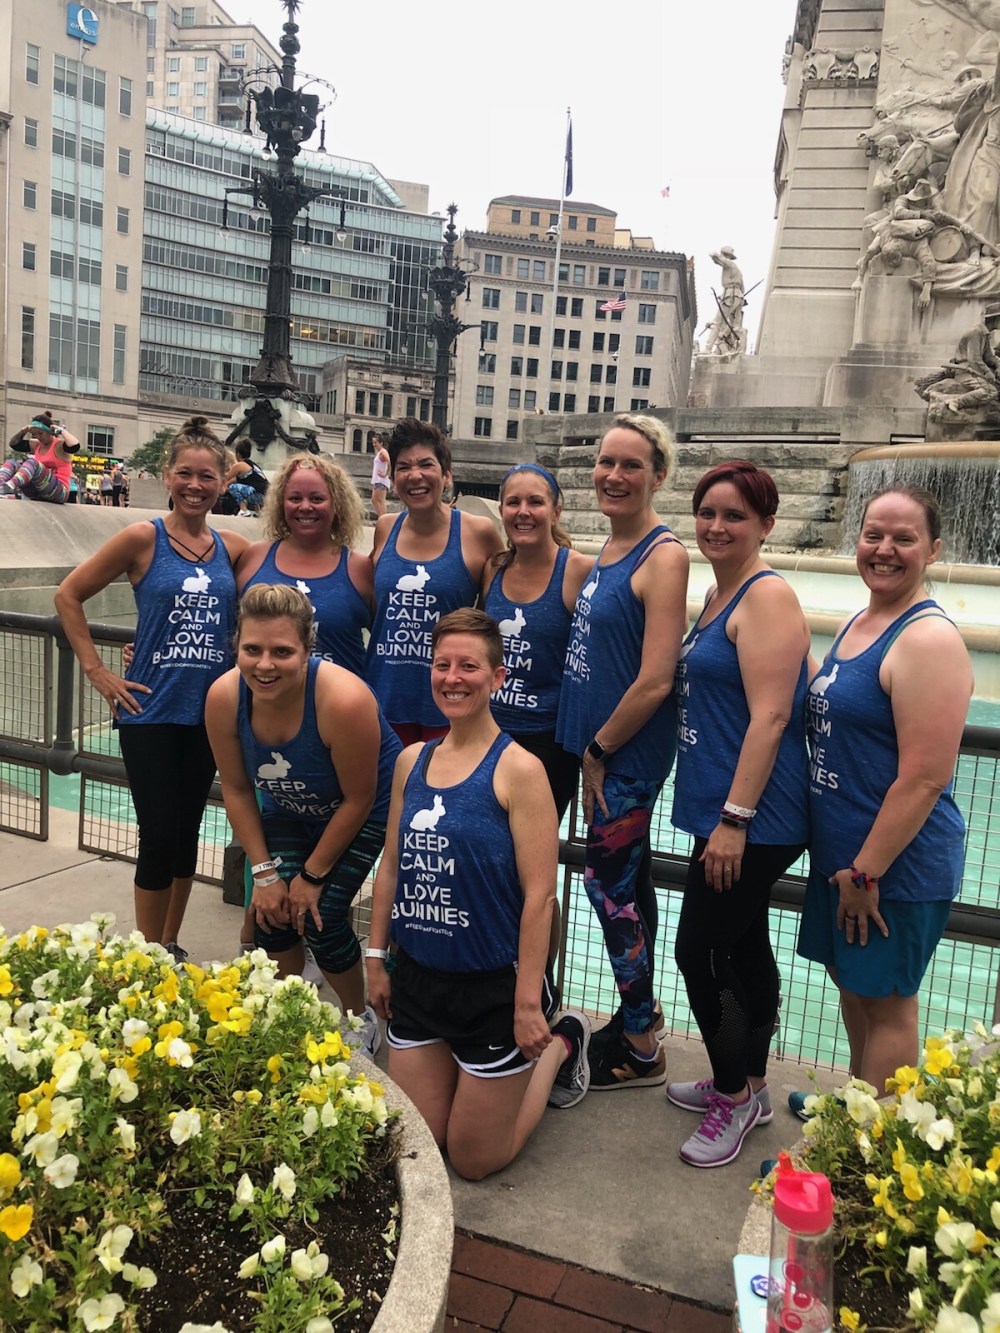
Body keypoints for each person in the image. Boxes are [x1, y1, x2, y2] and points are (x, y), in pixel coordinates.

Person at [365, 609, 592, 1180]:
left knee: (472, 1160)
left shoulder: (520, 771)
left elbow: (540, 896)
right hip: (420, 979)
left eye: (468, 666)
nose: (452, 677)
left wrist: (525, 1004)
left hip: (494, 988)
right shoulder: (412, 762)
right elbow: (391, 865)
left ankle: (562, 1043)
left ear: (497, 677)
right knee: (417, 1149)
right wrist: (375, 958)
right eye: (442, 664)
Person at [796, 484, 972, 1099]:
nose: (884, 549)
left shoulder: (928, 640)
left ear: (934, 549)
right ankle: (852, 1112)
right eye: (874, 535)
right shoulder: (862, 621)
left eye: (904, 538)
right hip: (847, 860)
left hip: (893, 868)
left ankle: (867, 1143)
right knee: (854, 987)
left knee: (889, 1004)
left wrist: (865, 873)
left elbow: (925, 777)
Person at [54, 416, 250, 962]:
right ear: (167, 476)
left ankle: (170, 944)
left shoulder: (234, 549)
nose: (195, 485)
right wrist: (97, 670)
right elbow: (68, 595)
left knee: (187, 832)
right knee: (158, 832)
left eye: (206, 476)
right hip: (150, 710)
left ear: (222, 482)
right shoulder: (144, 538)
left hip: (209, 714)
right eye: (185, 473)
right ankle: (146, 954)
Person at [665, 461, 810, 1168]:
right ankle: (749, 1080)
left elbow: (772, 716)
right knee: (745, 945)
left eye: (735, 516)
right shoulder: (719, 593)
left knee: (699, 951)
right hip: (723, 807)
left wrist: (735, 818)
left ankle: (733, 1095)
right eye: (708, 512)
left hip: (755, 815)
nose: (717, 526)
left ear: (765, 525)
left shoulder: (767, 597)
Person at [206, 584, 401, 1056]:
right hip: (290, 807)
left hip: (365, 809)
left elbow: (358, 798)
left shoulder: (343, 700)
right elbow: (237, 789)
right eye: (252, 650)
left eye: (282, 652)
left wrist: (311, 876)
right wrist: (264, 874)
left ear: (308, 650)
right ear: (236, 646)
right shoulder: (224, 698)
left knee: (321, 916)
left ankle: (359, 1016)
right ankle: (290, 1010)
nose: (264, 665)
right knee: (272, 913)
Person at [556, 414, 690, 1089]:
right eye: (606, 461)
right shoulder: (610, 546)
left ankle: (641, 1044)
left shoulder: (663, 556)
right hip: (600, 749)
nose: (613, 475)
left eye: (630, 464)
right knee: (629, 884)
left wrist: (599, 750)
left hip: (625, 756)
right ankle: (645, 1010)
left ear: (657, 476)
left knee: (604, 887)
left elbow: (657, 677)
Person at [483, 463, 592, 984]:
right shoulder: (493, 570)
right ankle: (496, 972)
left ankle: (537, 984)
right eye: (513, 502)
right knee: (490, 861)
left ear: (556, 509)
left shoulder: (578, 571)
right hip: (491, 737)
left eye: (535, 502)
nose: (523, 512)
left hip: (548, 745)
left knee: (533, 873)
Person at [366, 417, 502, 746]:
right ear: (393, 479)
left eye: (426, 464)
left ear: (446, 475)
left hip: (450, 705)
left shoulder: (478, 532)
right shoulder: (385, 528)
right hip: (384, 700)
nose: (415, 475)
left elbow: (495, 615)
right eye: (403, 467)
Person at [241, 455, 372, 675]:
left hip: (340, 696)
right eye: (295, 498)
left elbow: (384, 644)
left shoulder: (359, 569)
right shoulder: (253, 558)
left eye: (317, 499)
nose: (305, 507)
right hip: (265, 694)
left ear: (337, 504)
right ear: (281, 503)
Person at [1, 413, 79, 503]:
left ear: (50, 431)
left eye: (40, 433)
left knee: (33, 463)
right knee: (11, 463)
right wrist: (23, 431)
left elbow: (75, 445)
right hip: (37, 491)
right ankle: (1, 488)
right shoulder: (37, 445)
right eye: (35, 434)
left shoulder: (59, 445)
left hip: (59, 492)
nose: (38, 437)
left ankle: (10, 486)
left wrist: (60, 430)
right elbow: (14, 444)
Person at [225, 439, 270, 516]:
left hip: (259, 496)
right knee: (251, 487)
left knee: (232, 487)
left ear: (238, 454)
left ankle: (244, 510)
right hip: (267, 496)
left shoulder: (239, 465)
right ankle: (258, 511)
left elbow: (226, 478)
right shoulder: (253, 465)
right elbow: (235, 479)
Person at [370, 435, 391, 519]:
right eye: (373, 443)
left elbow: (389, 461)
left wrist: (386, 474)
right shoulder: (379, 453)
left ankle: (383, 519)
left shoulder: (383, 452)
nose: (374, 444)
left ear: (381, 443)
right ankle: (381, 517)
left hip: (381, 480)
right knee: (374, 500)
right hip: (377, 480)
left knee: (380, 501)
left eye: (376, 442)